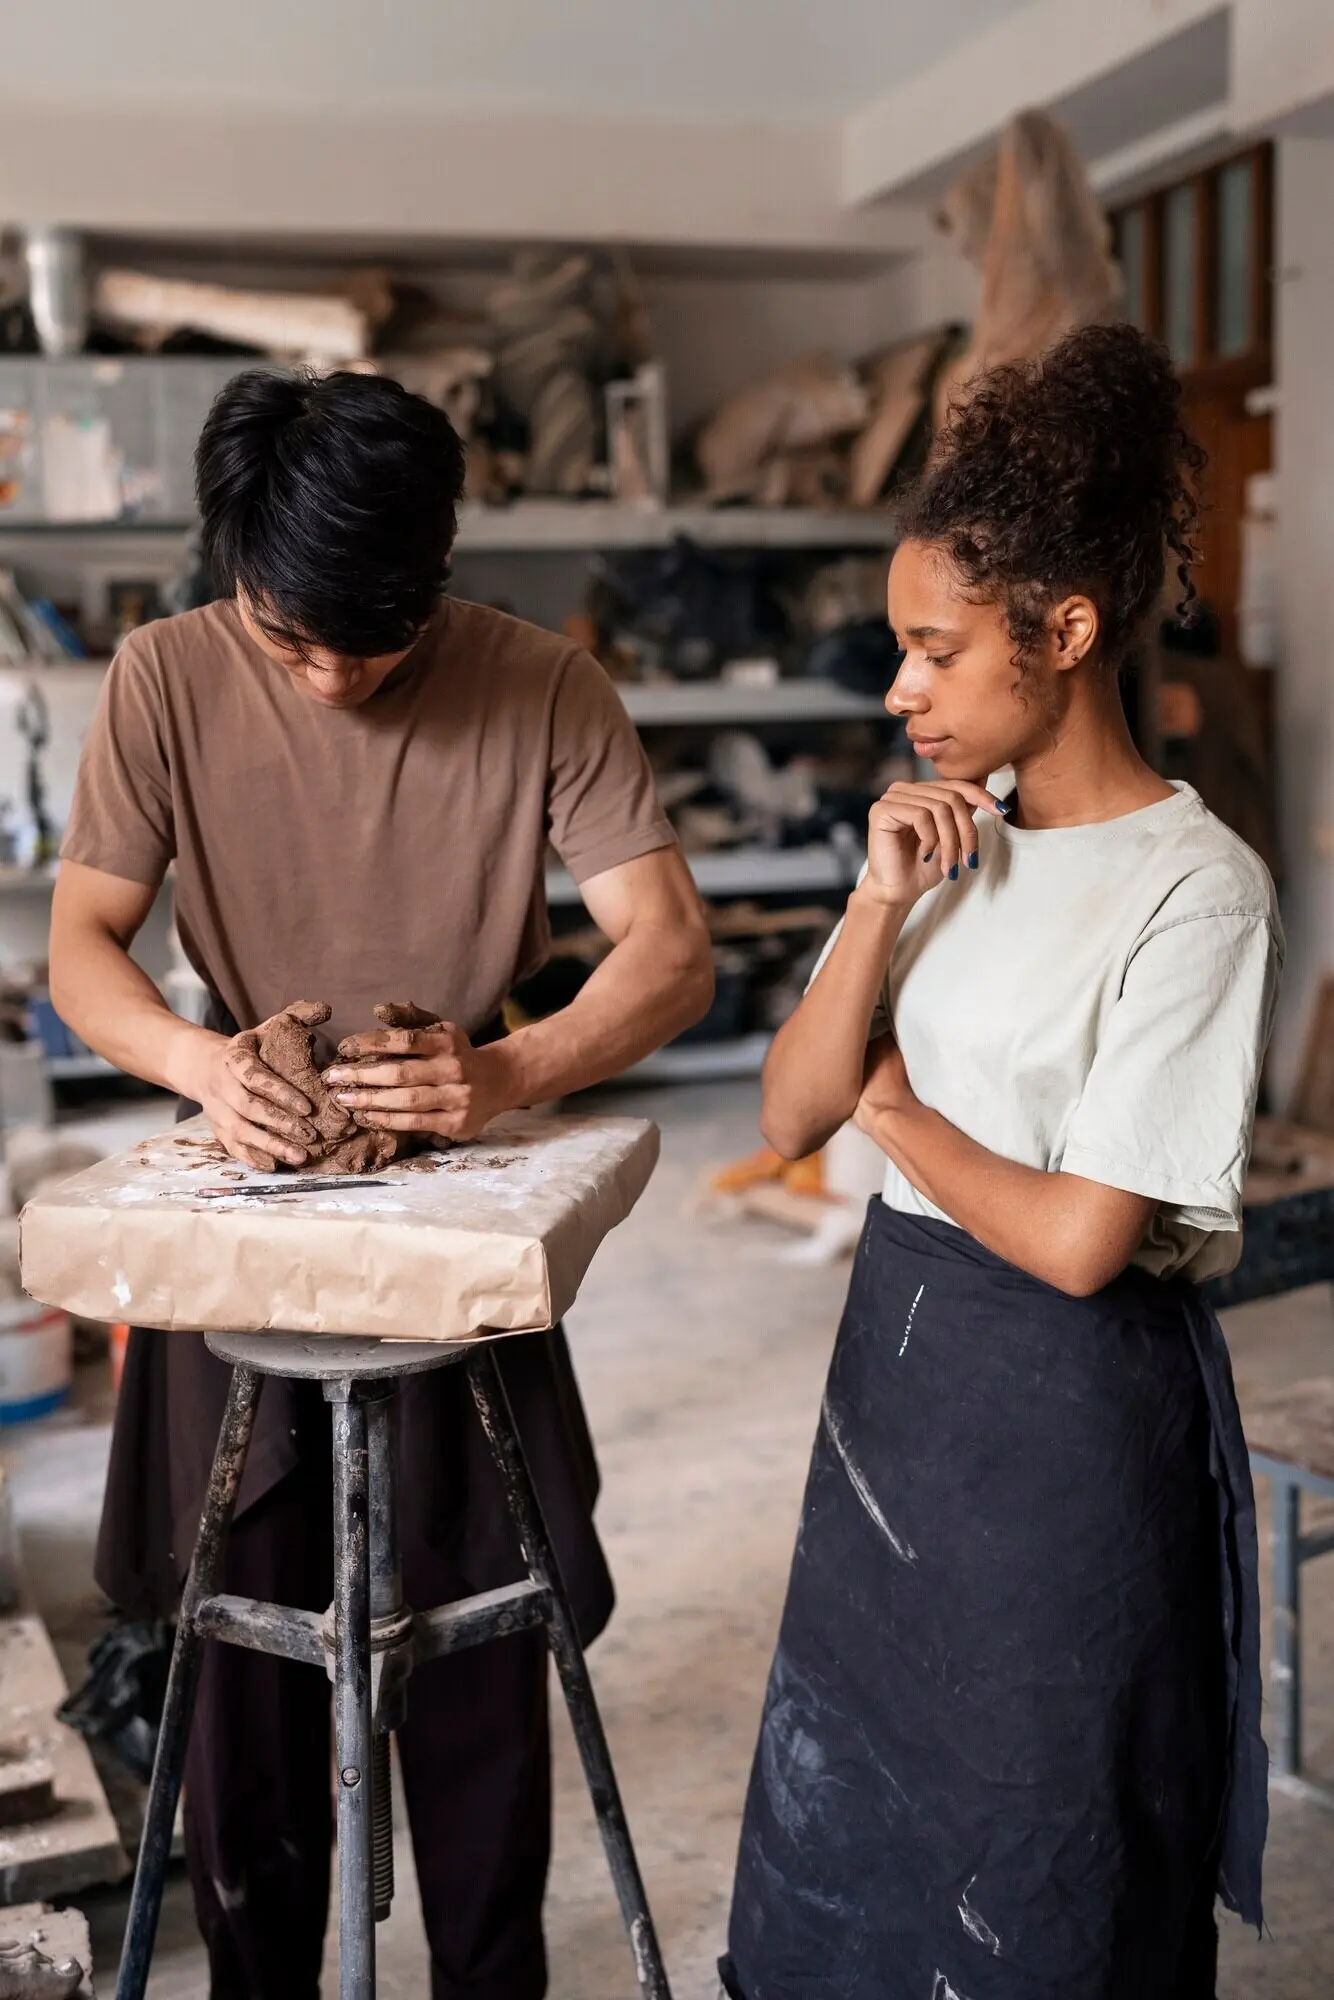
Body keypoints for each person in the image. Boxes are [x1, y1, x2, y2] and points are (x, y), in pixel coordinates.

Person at [49, 368, 714, 2000]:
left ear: (439, 574)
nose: (336, 675)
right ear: (230, 575)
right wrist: (206, 1070)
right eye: (293, 642)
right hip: (248, 1174)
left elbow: (671, 950)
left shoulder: (541, 680)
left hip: (452, 1190)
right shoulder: (160, 677)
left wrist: (501, 1074)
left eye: (379, 638)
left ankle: (489, 1973)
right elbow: (81, 944)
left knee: (482, 1636)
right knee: (244, 1660)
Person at [720, 323, 1279, 2000]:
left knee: (1041, 1850)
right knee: (857, 1831)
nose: (900, 691)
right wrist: (880, 900)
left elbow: (1080, 1237)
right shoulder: (946, 844)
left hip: (1065, 1431)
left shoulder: (1197, 888)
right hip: (894, 1389)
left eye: (933, 652)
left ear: (1067, 632)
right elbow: (778, 1115)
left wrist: (889, 1109)